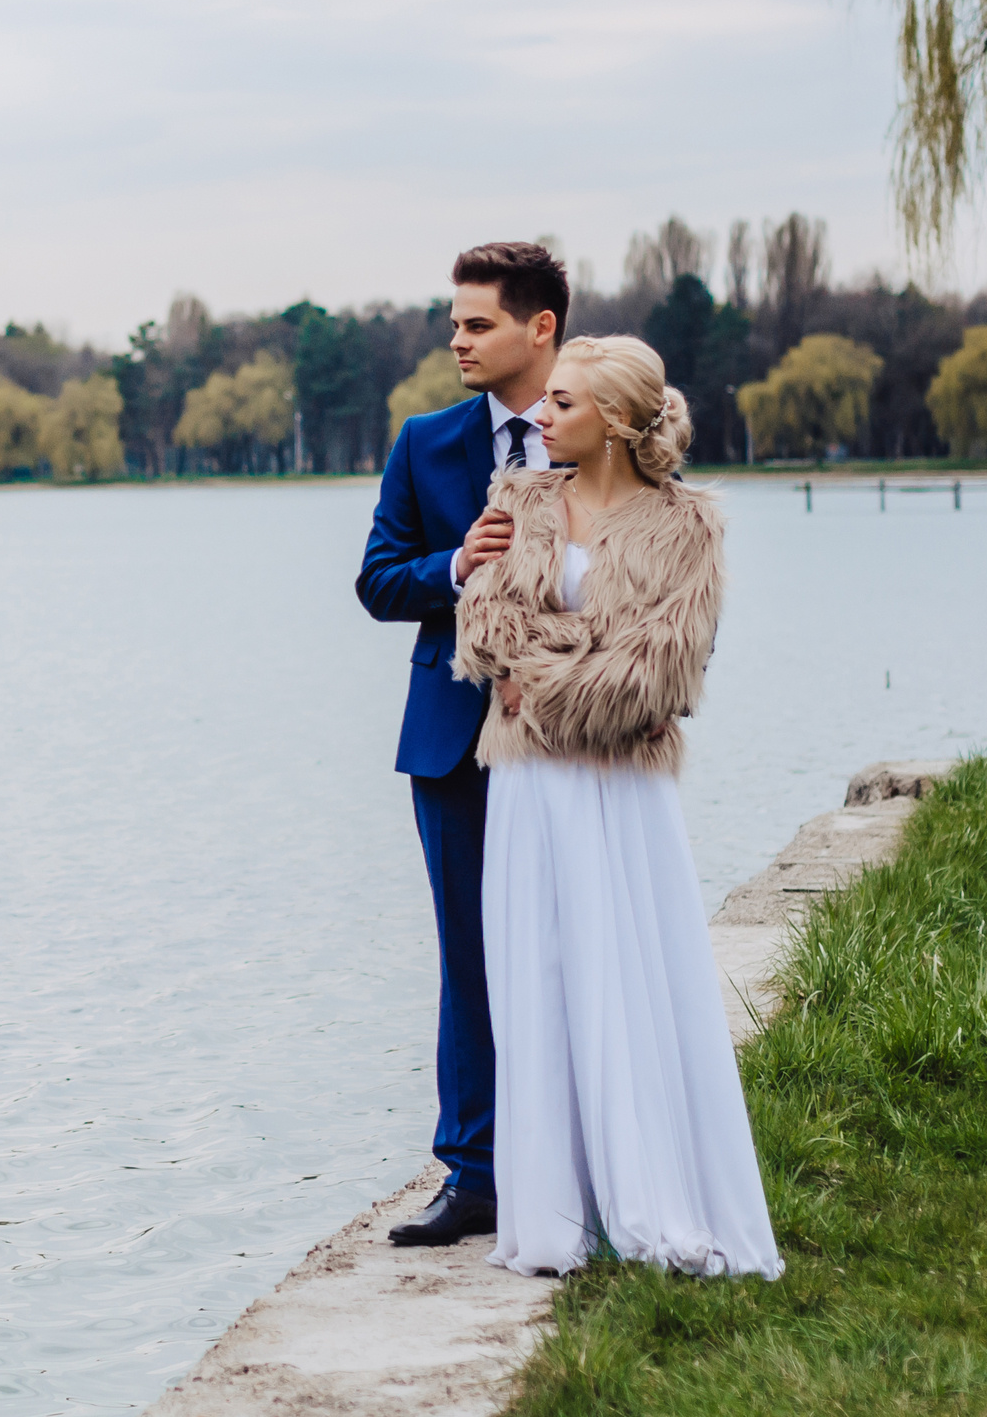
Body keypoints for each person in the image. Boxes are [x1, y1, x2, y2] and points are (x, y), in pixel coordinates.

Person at [451, 336, 782, 1279]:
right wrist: (577, 652)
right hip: (528, 787)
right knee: (542, 980)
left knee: (628, 973)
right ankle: (558, 1210)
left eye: (561, 404)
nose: (540, 417)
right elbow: (488, 625)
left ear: (613, 422)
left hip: (622, 789)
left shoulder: (688, 527)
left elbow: (661, 667)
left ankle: (646, 1196)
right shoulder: (517, 498)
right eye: (544, 402)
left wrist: (545, 684)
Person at [354, 241, 566, 1246]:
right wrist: (453, 563)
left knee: (574, 946)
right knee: (470, 958)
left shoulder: (600, 428)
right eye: (453, 325)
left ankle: (575, 1152)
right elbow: (376, 581)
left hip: (576, 738)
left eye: (477, 324)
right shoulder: (425, 441)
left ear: (541, 329)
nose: (458, 342)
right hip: (451, 745)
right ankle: (473, 1174)